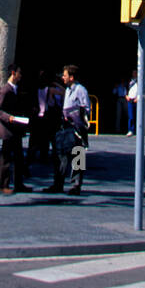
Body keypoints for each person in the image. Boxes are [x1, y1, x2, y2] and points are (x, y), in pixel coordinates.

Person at [48, 64, 91, 193]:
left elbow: (86, 108)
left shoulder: (80, 90)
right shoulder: (67, 90)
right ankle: (58, 183)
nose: (63, 77)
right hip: (66, 127)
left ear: (71, 77)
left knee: (78, 155)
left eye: (65, 75)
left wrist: (76, 114)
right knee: (61, 155)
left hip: (77, 127)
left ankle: (76, 185)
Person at [0, 64, 30, 194]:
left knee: (19, 158)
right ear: (13, 73)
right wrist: (9, 117)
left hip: (16, 129)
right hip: (8, 129)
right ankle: (3, 184)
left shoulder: (16, 89)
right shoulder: (5, 90)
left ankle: (19, 184)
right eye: (19, 74)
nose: (21, 77)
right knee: (6, 158)